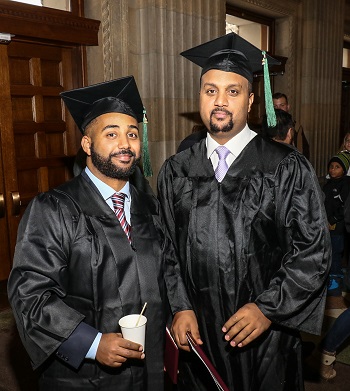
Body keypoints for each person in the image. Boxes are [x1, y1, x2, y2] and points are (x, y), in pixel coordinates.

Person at [158, 32, 331, 391]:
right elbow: (166, 246)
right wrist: (179, 306)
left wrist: (269, 308)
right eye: (210, 90)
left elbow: (312, 248)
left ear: (251, 100)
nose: (220, 101)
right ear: (200, 97)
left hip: (264, 336)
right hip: (198, 331)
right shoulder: (176, 170)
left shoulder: (285, 166)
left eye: (232, 91)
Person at [7, 76, 172, 391]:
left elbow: (169, 273)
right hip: (84, 377)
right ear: (87, 144)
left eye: (132, 134)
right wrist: (92, 343)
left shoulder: (149, 206)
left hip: (149, 369)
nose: (125, 144)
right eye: (111, 134)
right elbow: (30, 295)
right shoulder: (53, 209)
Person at [323, 152, 350, 298]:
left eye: (337, 167)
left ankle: (336, 283)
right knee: (330, 252)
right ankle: (332, 277)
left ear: (344, 170)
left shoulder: (345, 185)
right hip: (327, 226)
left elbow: (344, 207)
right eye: (331, 167)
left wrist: (332, 219)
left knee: (336, 253)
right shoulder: (328, 185)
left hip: (338, 227)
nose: (332, 170)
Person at [272, 92, 310, 158]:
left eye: (282, 105)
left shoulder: (296, 127)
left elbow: (303, 151)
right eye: (275, 106)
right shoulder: (266, 127)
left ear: (288, 107)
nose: (279, 109)